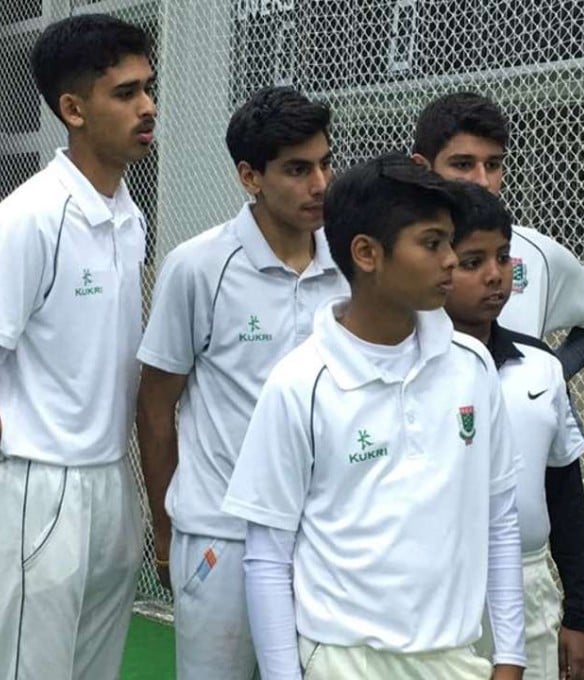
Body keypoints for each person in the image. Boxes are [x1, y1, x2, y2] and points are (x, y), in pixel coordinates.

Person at [222, 154, 526, 679]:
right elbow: (268, 557)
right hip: (344, 661)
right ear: (366, 253)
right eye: (432, 244)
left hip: (455, 659)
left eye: (450, 242)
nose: (451, 260)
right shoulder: (300, 384)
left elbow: (500, 518)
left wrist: (510, 658)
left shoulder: (472, 367)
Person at [135, 85, 345, 679]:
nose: (321, 184)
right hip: (220, 536)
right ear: (250, 176)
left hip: (321, 537)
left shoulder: (354, 266)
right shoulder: (197, 267)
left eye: (326, 163)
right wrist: (164, 531)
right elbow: (155, 409)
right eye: (298, 170)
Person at [0, 14, 155, 679]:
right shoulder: (29, 217)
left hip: (111, 482)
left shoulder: (129, 214)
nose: (148, 107)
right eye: (125, 93)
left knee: (98, 668)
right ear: (73, 109)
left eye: (148, 88)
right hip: (38, 482)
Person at [443, 184, 584, 679]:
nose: (494, 275)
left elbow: (565, 494)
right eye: (472, 262)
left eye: (503, 258)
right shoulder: (414, 369)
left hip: (527, 582)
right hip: (442, 589)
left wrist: (580, 614)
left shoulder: (541, 366)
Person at [411, 91, 584, 381]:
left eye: (493, 165)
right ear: (423, 168)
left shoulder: (536, 253)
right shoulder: (393, 256)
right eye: (463, 164)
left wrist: (550, 377)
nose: (482, 180)